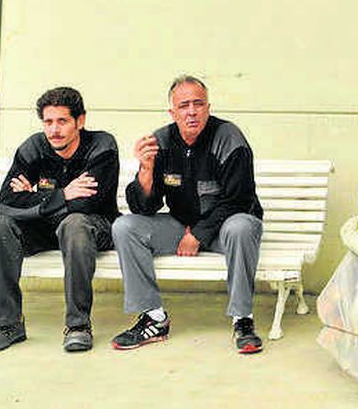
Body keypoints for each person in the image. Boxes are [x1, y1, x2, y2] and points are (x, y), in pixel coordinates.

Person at [111, 75, 265, 353]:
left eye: (198, 104)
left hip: (227, 227)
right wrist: (146, 170)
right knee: (125, 227)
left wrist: (198, 235)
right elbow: (144, 208)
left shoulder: (229, 137)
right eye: (184, 106)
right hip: (181, 225)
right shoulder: (161, 140)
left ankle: (243, 320)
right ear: (172, 112)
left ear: (208, 108)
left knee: (241, 227)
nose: (192, 111)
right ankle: (153, 318)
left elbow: (238, 199)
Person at [0, 86, 120, 354]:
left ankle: (78, 326)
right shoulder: (34, 147)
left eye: (62, 121)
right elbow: (4, 204)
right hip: (44, 230)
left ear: (80, 121)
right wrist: (63, 195)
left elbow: (87, 203)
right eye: (48, 122)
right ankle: (8, 325)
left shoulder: (102, 145)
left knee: (74, 223)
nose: (54, 130)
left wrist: (34, 199)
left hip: (92, 228)